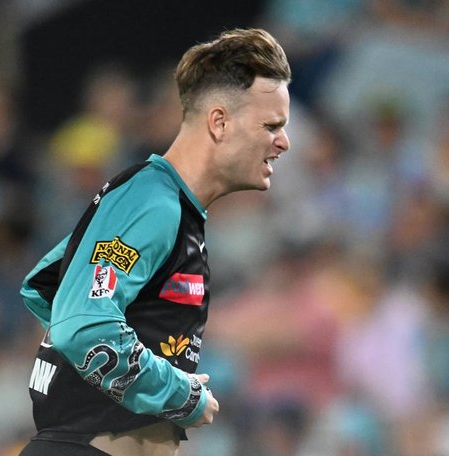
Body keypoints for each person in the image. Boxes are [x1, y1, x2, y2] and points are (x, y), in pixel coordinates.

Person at [18, 28, 291, 456]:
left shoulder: (166, 206)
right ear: (219, 122)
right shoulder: (151, 201)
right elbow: (83, 324)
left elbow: (46, 284)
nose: (283, 142)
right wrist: (179, 393)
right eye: (271, 125)